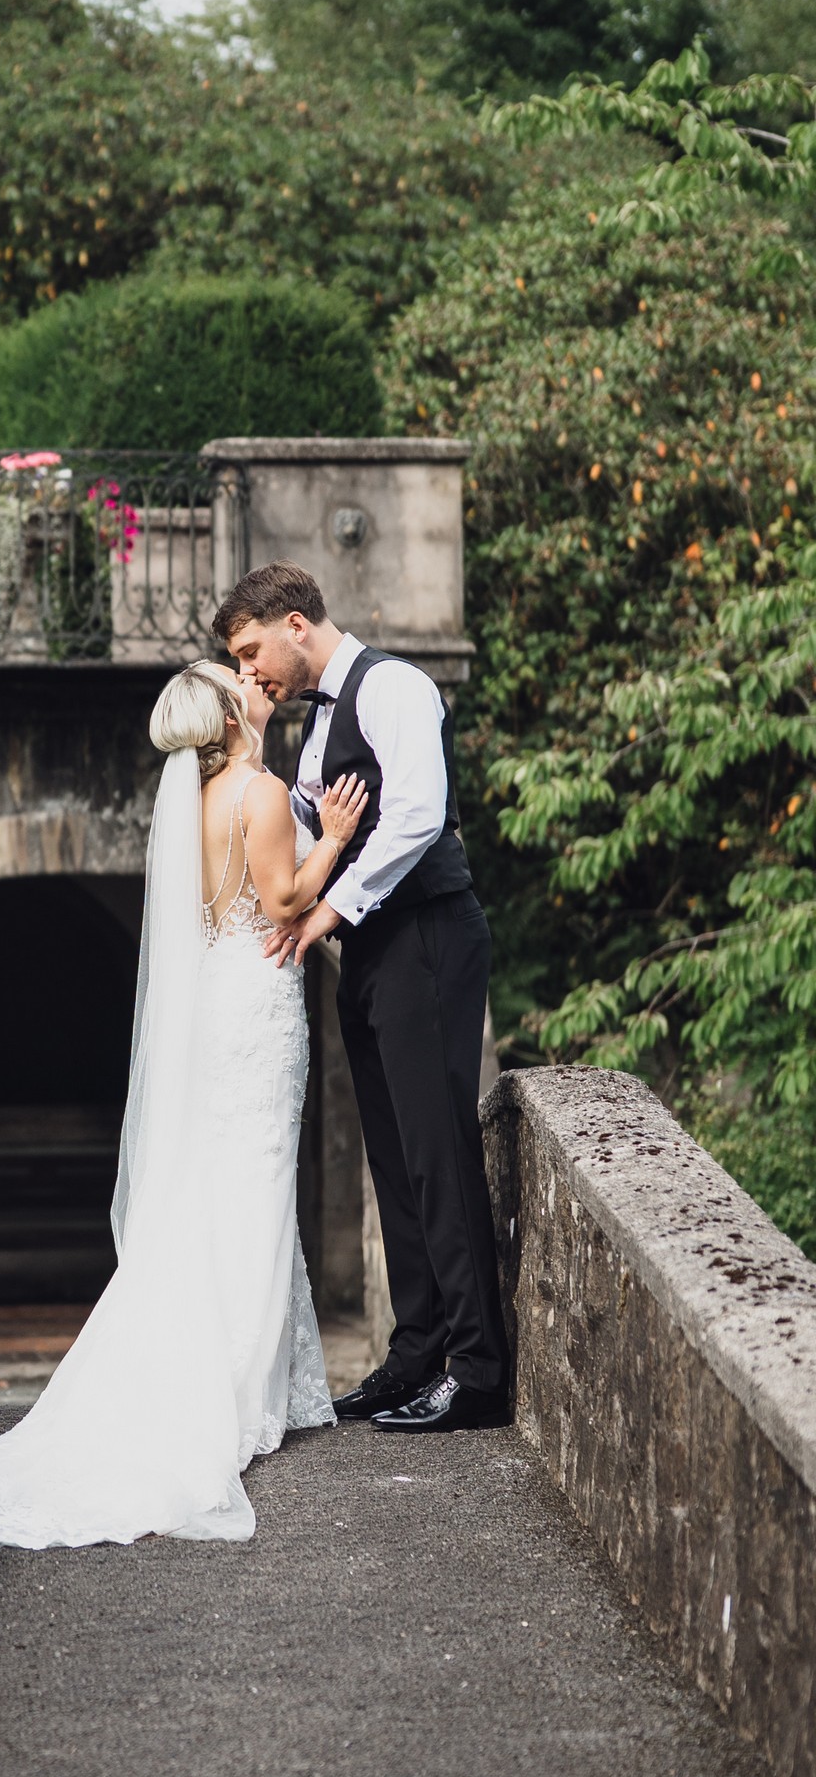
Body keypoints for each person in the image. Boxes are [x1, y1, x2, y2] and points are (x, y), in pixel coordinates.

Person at [0, 660, 367, 1548]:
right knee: (256, 1182)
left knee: (218, 1183)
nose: (254, 683)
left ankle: (228, 1376)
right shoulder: (258, 793)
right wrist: (332, 838)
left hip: (217, 1003)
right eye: (238, 681)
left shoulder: (192, 801)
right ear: (229, 715)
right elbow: (284, 899)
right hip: (257, 1006)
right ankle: (236, 1395)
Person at [213, 561, 511, 1434]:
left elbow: (416, 814)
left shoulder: (393, 687)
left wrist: (329, 908)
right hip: (372, 950)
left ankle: (477, 1371)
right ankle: (416, 1353)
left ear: (295, 623)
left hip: (427, 935)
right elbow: (315, 831)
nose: (247, 671)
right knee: (391, 1154)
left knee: (437, 1149)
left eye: (251, 651)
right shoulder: (315, 721)